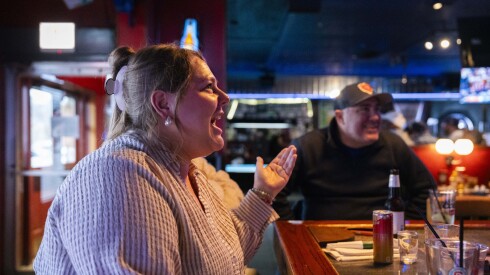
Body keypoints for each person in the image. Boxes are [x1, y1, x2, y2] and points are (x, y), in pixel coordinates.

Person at [33, 43, 297, 274]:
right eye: (209, 87)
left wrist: (263, 192)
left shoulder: (186, 171)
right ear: (163, 104)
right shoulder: (119, 174)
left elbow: (227, 255)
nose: (225, 98)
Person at [273, 82, 435, 220]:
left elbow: (427, 191)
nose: (376, 117)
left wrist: (403, 226)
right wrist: (292, 232)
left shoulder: (394, 145)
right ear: (340, 117)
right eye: (365, 109)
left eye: (377, 109)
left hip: (383, 240)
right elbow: (272, 193)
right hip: (319, 241)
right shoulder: (308, 146)